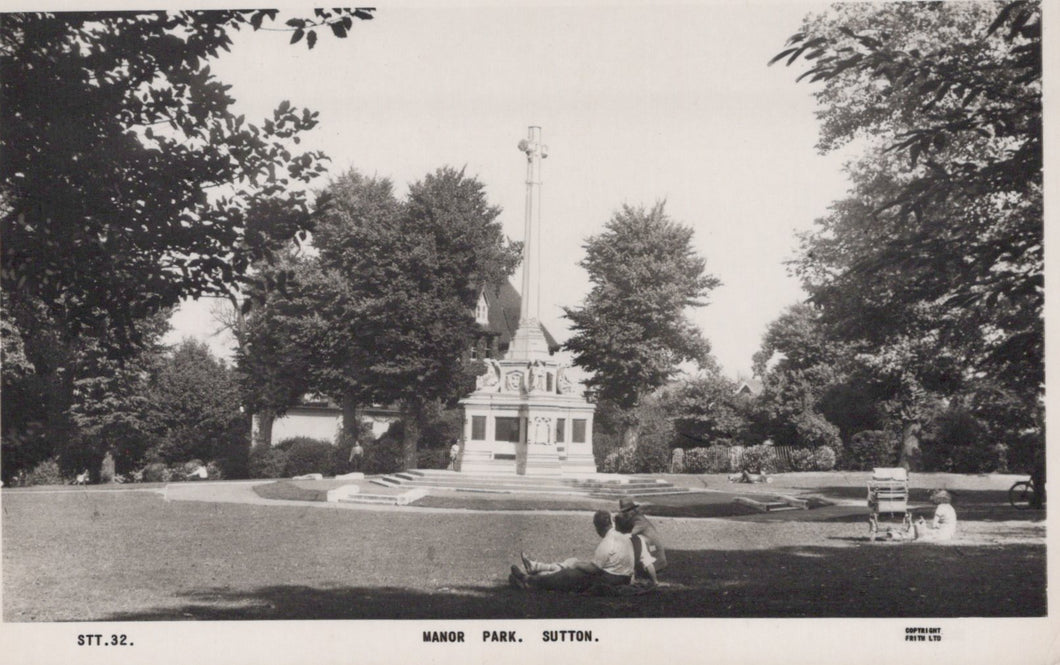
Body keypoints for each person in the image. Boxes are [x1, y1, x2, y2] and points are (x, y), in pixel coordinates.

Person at [510, 510, 633, 592]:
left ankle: (528, 581)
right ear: (610, 522)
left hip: (612, 579)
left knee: (569, 574)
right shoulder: (620, 536)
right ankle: (536, 574)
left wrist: (577, 565)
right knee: (573, 567)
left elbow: (594, 569)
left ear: (597, 527)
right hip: (623, 577)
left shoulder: (608, 541)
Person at [618, 498, 667, 572]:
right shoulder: (636, 518)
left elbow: (628, 536)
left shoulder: (639, 520)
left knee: (632, 541)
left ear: (632, 511)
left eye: (626, 512)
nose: (624, 514)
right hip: (653, 552)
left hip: (655, 557)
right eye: (623, 512)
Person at [614, 512, 657, 587]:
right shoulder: (639, 539)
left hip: (618, 574)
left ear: (617, 527)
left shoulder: (616, 540)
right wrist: (655, 581)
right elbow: (648, 563)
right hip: (630, 573)